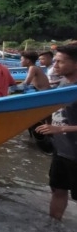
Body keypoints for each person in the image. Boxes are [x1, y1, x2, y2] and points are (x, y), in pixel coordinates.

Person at [35, 44, 77, 222]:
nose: (55, 66)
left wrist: (60, 129)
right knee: (58, 190)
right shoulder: (62, 84)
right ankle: (54, 225)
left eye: (60, 62)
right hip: (61, 151)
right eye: (55, 62)